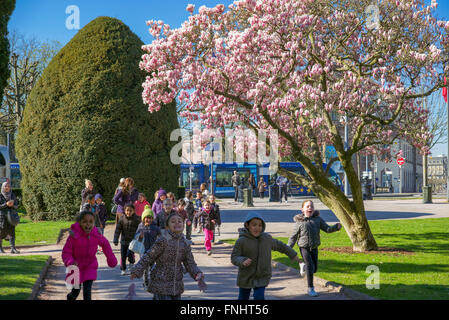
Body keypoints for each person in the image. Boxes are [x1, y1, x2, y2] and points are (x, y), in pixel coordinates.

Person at [130, 212, 206, 300]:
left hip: (176, 286)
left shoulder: (185, 243)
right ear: (167, 226)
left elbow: (190, 263)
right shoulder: (163, 240)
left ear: (183, 224)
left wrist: (197, 273)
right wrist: (136, 270)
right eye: (173, 221)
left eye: (179, 221)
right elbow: (149, 256)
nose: (177, 223)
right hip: (161, 284)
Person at [231, 212, 301, 300]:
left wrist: (293, 255)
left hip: (262, 275)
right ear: (247, 225)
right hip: (246, 276)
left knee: (259, 297)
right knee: (243, 297)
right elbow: (234, 257)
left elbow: (281, 246)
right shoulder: (241, 241)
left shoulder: (266, 239)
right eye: (254, 225)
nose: (257, 228)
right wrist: (242, 260)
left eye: (260, 225)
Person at [287, 200, 342, 297]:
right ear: (302, 210)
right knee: (309, 266)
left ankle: (302, 266)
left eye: (311, 206)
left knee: (314, 268)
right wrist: (287, 248)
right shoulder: (300, 222)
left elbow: (327, 229)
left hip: (314, 247)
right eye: (307, 206)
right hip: (304, 247)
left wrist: (336, 227)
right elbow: (293, 237)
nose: (310, 208)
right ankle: (310, 288)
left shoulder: (318, 219)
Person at [62, 210, 117, 300]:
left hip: (89, 266)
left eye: (90, 222)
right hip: (76, 267)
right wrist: (70, 262)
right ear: (80, 223)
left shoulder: (95, 234)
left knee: (87, 291)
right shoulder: (73, 236)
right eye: (85, 222)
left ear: (94, 223)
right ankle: (70, 297)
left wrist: (110, 258)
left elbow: (105, 244)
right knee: (76, 291)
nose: (88, 224)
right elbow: (66, 252)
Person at [134, 205, 161, 290]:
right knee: (145, 268)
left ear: (152, 219)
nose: (148, 220)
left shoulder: (155, 227)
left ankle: (151, 282)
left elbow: (160, 235)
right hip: (143, 251)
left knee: (152, 268)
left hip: (153, 251)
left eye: (150, 218)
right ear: (143, 218)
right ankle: (146, 283)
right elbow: (136, 237)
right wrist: (140, 236)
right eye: (146, 218)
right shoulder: (140, 226)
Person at [113, 203, 141, 275]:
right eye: (127, 210)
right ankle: (123, 269)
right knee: (123, 256)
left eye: (130, 211)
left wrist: (140, 237)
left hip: (132, 241)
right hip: (123, 241)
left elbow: (141, 228)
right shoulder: (122, 219)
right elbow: (118, 230)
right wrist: (115, 239)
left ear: (134, 211)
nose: (128, 212)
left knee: (130, 254)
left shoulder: (137, 219)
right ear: (124, 211)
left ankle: (131, 263)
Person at [0, 182, 20, 254]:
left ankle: (13, 248)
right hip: (2, 216)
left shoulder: (12, 195)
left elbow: (16, 205)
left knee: (12, 231)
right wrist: (6, 204)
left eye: (8, 186)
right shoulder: (0, 195)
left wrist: (13, 205)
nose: (7, 187)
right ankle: (0, 249)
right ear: (3, 187)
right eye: (5, 186)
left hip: (11, 216)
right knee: (1, 231)